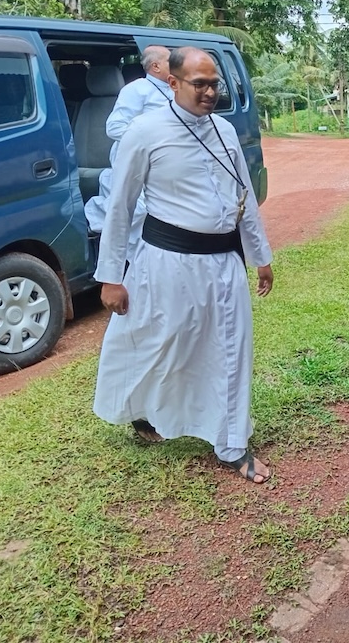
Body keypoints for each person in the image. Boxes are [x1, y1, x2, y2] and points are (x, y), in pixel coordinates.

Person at [93, 46, 274, 484]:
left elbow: (244, 197)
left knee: (231, 350)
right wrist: (111, 278)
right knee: (161, 343)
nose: (210, 92)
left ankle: (231, 444)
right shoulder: (145, 132)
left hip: (224, 264)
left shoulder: (225, 130)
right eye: (200, 84)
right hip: (167, 265)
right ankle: (140, 410)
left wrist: (260, 257)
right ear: (172, 83)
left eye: (215, 84)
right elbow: (120, 206)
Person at [85, 45, 172, 237]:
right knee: (139, 208)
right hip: (136, 157)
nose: (176, 64)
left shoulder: (177, 89)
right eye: (170, 60)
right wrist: (152, 138)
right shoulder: (136, 89)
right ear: (156, 66)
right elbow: (114, 127)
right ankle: (95, 222)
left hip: (167, 160)